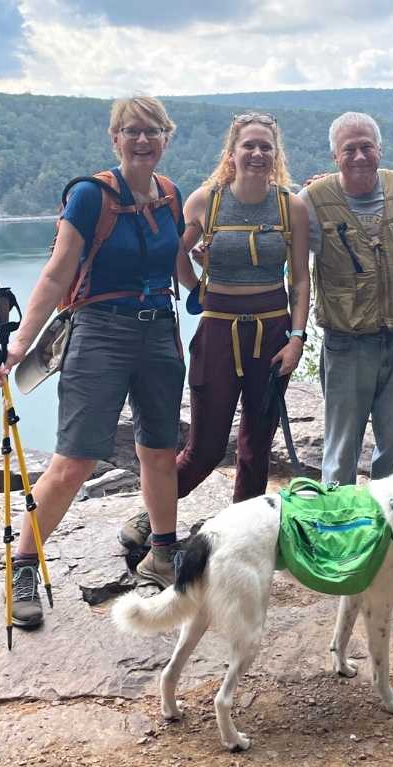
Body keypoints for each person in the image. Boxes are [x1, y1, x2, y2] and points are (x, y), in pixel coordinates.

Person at [0, 96, 188, 623]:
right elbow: (58, 274)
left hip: (161, 331)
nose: (142, 140)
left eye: (152, 131)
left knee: (159, 449)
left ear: (166, 137)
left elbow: (183, 266)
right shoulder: (89, 196)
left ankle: (164, 553)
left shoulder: (170, 196)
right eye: (131, 131)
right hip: (100, 333)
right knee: (75, 459)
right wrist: (19, 344)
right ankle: (24, 565)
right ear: (115, 138)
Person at [172, 113, 311, 502]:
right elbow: (173, 253)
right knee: (205, 448)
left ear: (275, 153)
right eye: (248, 145)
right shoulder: (207, 201)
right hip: (217, 333)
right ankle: (153, 522)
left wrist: (297, 339)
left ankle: (245, 531)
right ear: (231, 153)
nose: (256, 153)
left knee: (256, 449)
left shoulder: (290, 207)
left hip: (272, 334)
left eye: (265, 146)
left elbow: (300, 277)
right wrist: (197, 286)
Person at [298, 112, 393, 487]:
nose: (359, 157)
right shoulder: (312, 201)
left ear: (380, 150)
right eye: (349, 149)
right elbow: (286, 260)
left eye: (366, 147)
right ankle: (337, 529)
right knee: (341, 450)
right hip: (347, 345)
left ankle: (387, 531)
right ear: (334, 157)